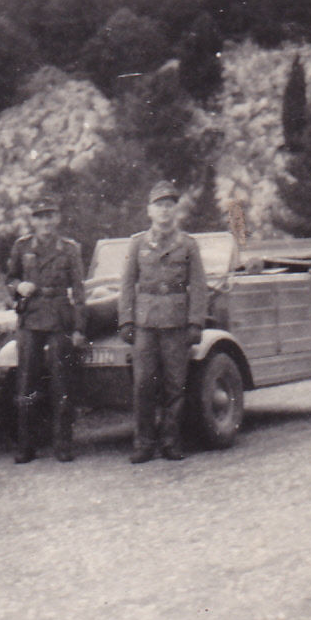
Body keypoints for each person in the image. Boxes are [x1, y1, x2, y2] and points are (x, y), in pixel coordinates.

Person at [118, 180, 208, 463]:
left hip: (176, 324)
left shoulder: (188, 245)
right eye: (159, 206)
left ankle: (170, 441)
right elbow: (127, 284)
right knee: (143, 384)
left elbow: (199, 285)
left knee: (174, 385)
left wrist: (195, 323)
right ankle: (143, 443)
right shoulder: (138, 244)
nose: (164, 211)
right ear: (149, 211)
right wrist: (126, 320)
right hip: (145, 323)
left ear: (175, 210)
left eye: (169, 205)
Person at [7, 196, 88, 464]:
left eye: (50, 216)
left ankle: (63, 444)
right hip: (31, 318)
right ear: (33, 221)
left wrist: (79, 327)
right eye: (40, 217)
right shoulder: (22, 247)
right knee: (26, 382)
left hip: (59, 317)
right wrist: (19, 287)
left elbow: (79, 291)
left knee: (61, 381)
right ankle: (26, 445)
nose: (45, 222)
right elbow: (10, 278)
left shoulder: (69, 249)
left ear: (57, 219)